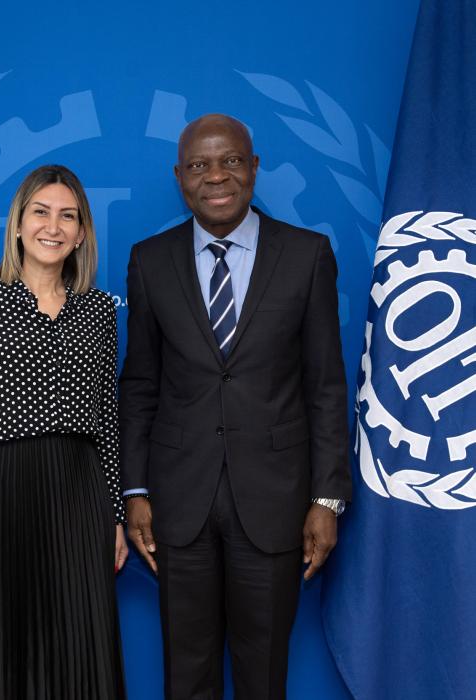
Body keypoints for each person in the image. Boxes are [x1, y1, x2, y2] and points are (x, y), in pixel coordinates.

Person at [119, 114, 352, 699]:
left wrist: (327, 498)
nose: (215, 176)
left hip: (275, 502)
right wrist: (135, 490)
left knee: (263, 671)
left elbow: (325, 385)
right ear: (180, 177)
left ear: (253, 167)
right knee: (187, 672)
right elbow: (140, 383)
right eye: (199, 165)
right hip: (178, 502)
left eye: (230, 161)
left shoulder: (307, 255)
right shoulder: (150, 261)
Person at [0, 164, 128, 700]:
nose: (52, 226)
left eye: (68, 216)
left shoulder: (99, 311)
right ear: (18, 223)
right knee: (0, 639)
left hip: (79, 495)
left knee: (78, 641)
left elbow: (107, 419)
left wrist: (115, 516)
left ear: (82, 232)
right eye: (40, 212)